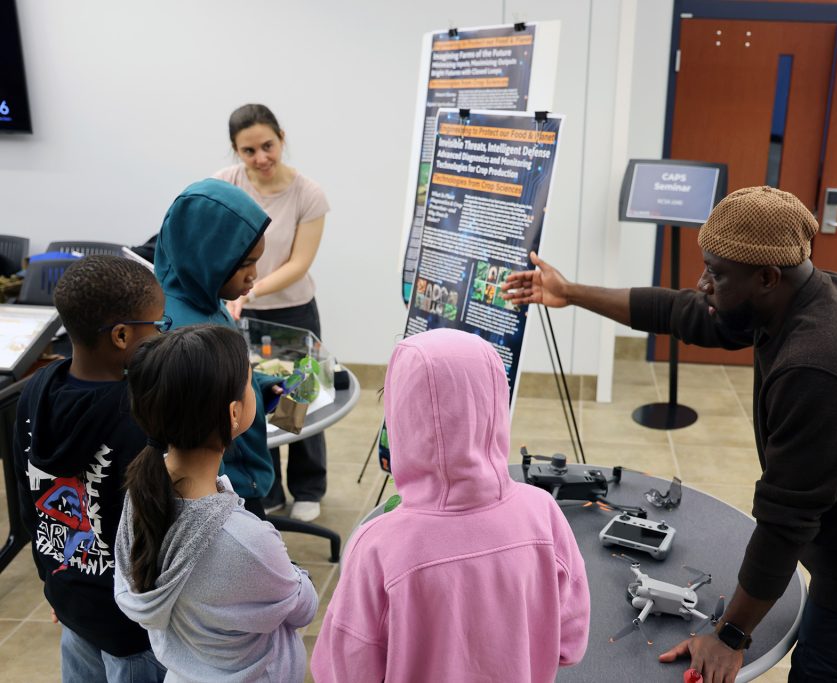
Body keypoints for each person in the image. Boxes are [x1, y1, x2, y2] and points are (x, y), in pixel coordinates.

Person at [502, 186, 837, 683]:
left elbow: (785, 522)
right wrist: (570, 293)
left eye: (715, 273)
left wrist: (731, 635)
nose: (702, 283)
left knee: (830, 668)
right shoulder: (797, 297)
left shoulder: (819, 363)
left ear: (767, 277)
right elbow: (682, 311)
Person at [310, 328, 590, 682]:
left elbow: (343, 671)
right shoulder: (543, 513)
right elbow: (570, 643)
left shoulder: (377, 548)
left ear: (402, 417)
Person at [114, 325, 318, 682]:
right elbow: (304, 608)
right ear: (234, 414)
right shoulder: (245, 540)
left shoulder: (141, 496)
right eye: (250, 382)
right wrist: (295, 570)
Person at [13, 255, 167, 682]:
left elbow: (30, 501)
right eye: (158, 325)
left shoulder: (36, 389)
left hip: (71, 594)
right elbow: (152, 533)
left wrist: (55, 580)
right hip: (133, 627)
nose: (161, 334)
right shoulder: (139, 417)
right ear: (121, 335)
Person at [214, 103, 331, 522]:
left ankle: (308, 486)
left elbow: (299, 263)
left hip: (293, 311)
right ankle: (269, 488)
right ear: (235, 152)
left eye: (267, 146)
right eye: (249, 151)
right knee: (249, 401)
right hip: (236, 312)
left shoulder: (308, 194)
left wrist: (250, 289)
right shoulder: (223, 185)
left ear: (282, 138)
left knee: (297, 400)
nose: (261, 158)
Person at [154, 177, 283, 518]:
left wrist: (260, 385)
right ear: (204, 254)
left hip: (239, 476)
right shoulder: (182, 331)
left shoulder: (207, 298)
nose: (253, 276)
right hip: (223, 490)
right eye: (243, 264)